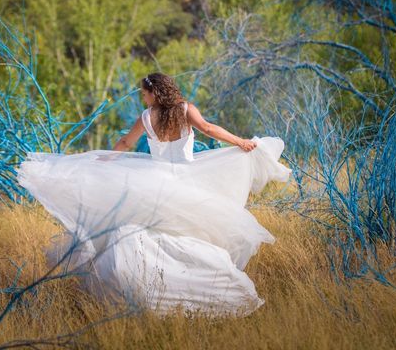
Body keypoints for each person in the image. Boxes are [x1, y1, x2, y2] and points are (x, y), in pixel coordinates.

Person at [16, 72, 291, 317]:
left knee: (155, 232)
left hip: (156, 181)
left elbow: (126, 142)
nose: (143, 98)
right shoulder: (186, 110)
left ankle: (155, 289)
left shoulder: (148, 117)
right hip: (188, 180)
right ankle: (191, 286)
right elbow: (209, 129)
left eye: (144, 93)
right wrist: (240, 142)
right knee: (189, 231)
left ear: (154, 92)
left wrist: (104, 160)